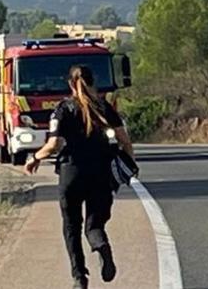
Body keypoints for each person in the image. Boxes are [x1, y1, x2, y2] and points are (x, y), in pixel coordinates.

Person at [25, 65, 136, 289]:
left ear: (69, 84)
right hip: (101, 173)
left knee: (71, 227)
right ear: (93, 81)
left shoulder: (62, 109)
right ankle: (101, 246)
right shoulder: (104, 107)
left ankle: (79, 278)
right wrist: (128, 163)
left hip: (71, 173)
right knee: (94, 226)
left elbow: (54, 144)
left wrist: (35, 157)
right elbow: (124, 140)